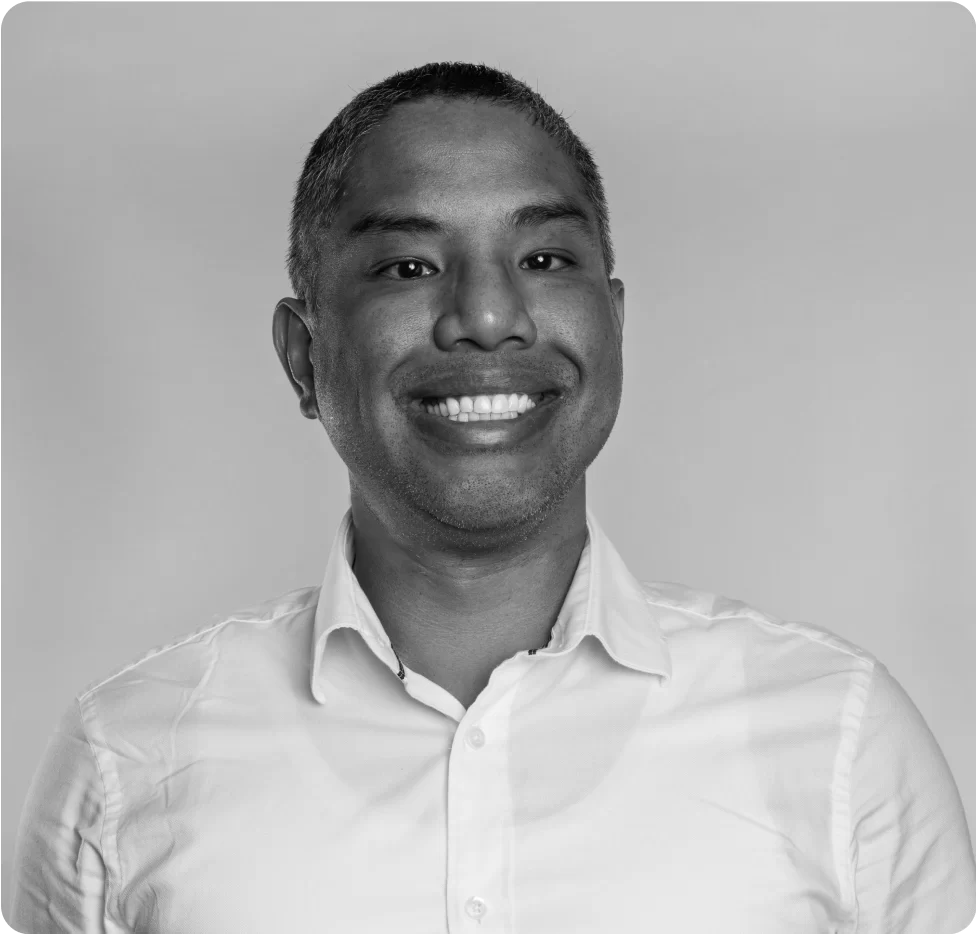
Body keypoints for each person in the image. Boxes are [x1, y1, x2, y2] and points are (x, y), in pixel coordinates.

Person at [9, 61, 975, 934]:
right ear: (304, 357)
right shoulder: (125, 761)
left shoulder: (841, 740)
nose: (485, 317)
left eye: (545, 260)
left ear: (614, 324)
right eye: (407, 266)